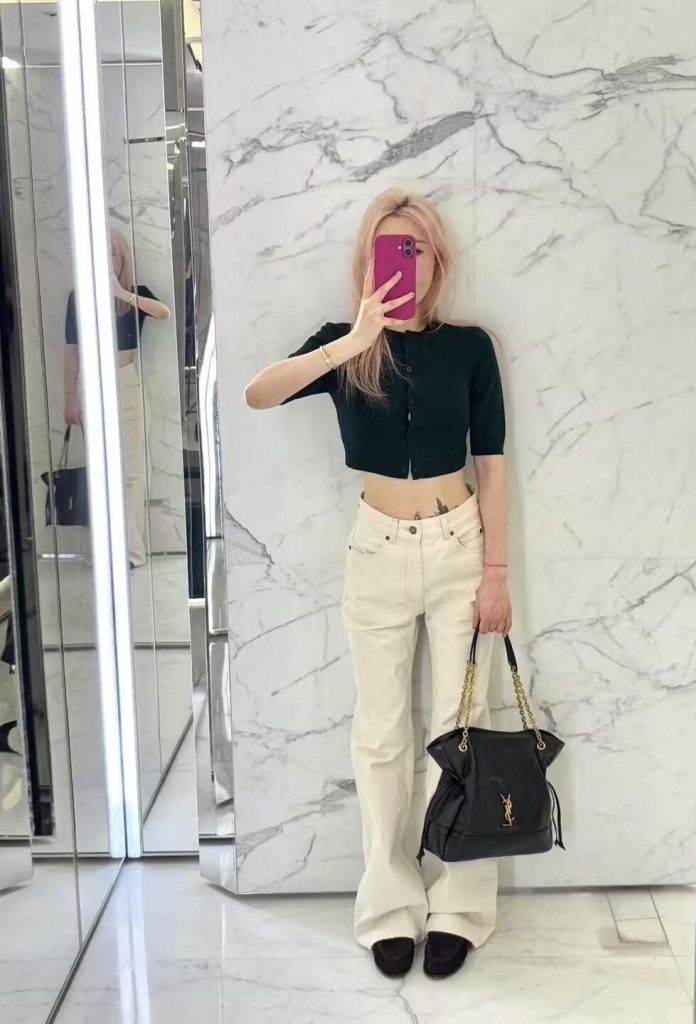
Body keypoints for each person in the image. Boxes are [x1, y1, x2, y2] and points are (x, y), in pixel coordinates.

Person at [243, 189, 510, 980]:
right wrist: (351, 342)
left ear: (436, 261)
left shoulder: (470, 348)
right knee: (382, 735)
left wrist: (496, 572)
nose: (404, 264)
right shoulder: (344, 346)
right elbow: (258, 393)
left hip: (460, 545)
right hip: (376, 550)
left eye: (415, 249)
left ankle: (460, 907)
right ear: (367, 261)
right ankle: (391, 905)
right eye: (389, 250)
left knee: (463, 728)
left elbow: (492, 466)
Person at [63, 229, 170, 568]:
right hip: (92, 385)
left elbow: (164, 313)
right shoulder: (79, 298)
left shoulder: (135, 294)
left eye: (113, 253)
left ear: (122, 258)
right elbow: (71, 352)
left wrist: (121, 293)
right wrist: (70, 397)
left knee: (133, 471)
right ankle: (102, 550)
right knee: (100, 469)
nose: (107, 259)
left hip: (125, 382)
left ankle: (132, 553)